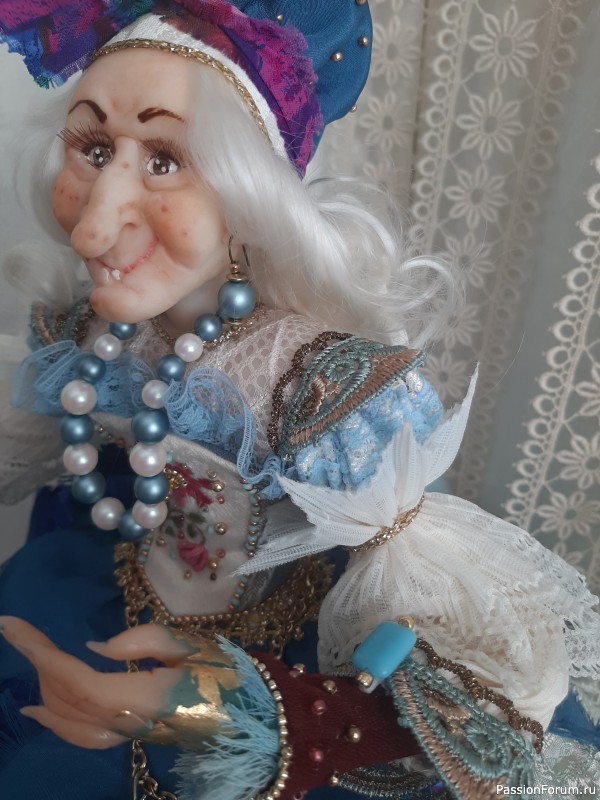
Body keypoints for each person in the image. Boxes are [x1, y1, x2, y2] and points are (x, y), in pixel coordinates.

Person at [0, 2, 598, 799]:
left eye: (165, 160)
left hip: (283, 660)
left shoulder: (320, 389)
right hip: (103, 601)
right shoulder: (92, 337)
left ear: (248, 197)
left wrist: (222, 709)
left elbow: (484, 693)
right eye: (95, 148)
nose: (94, 228)